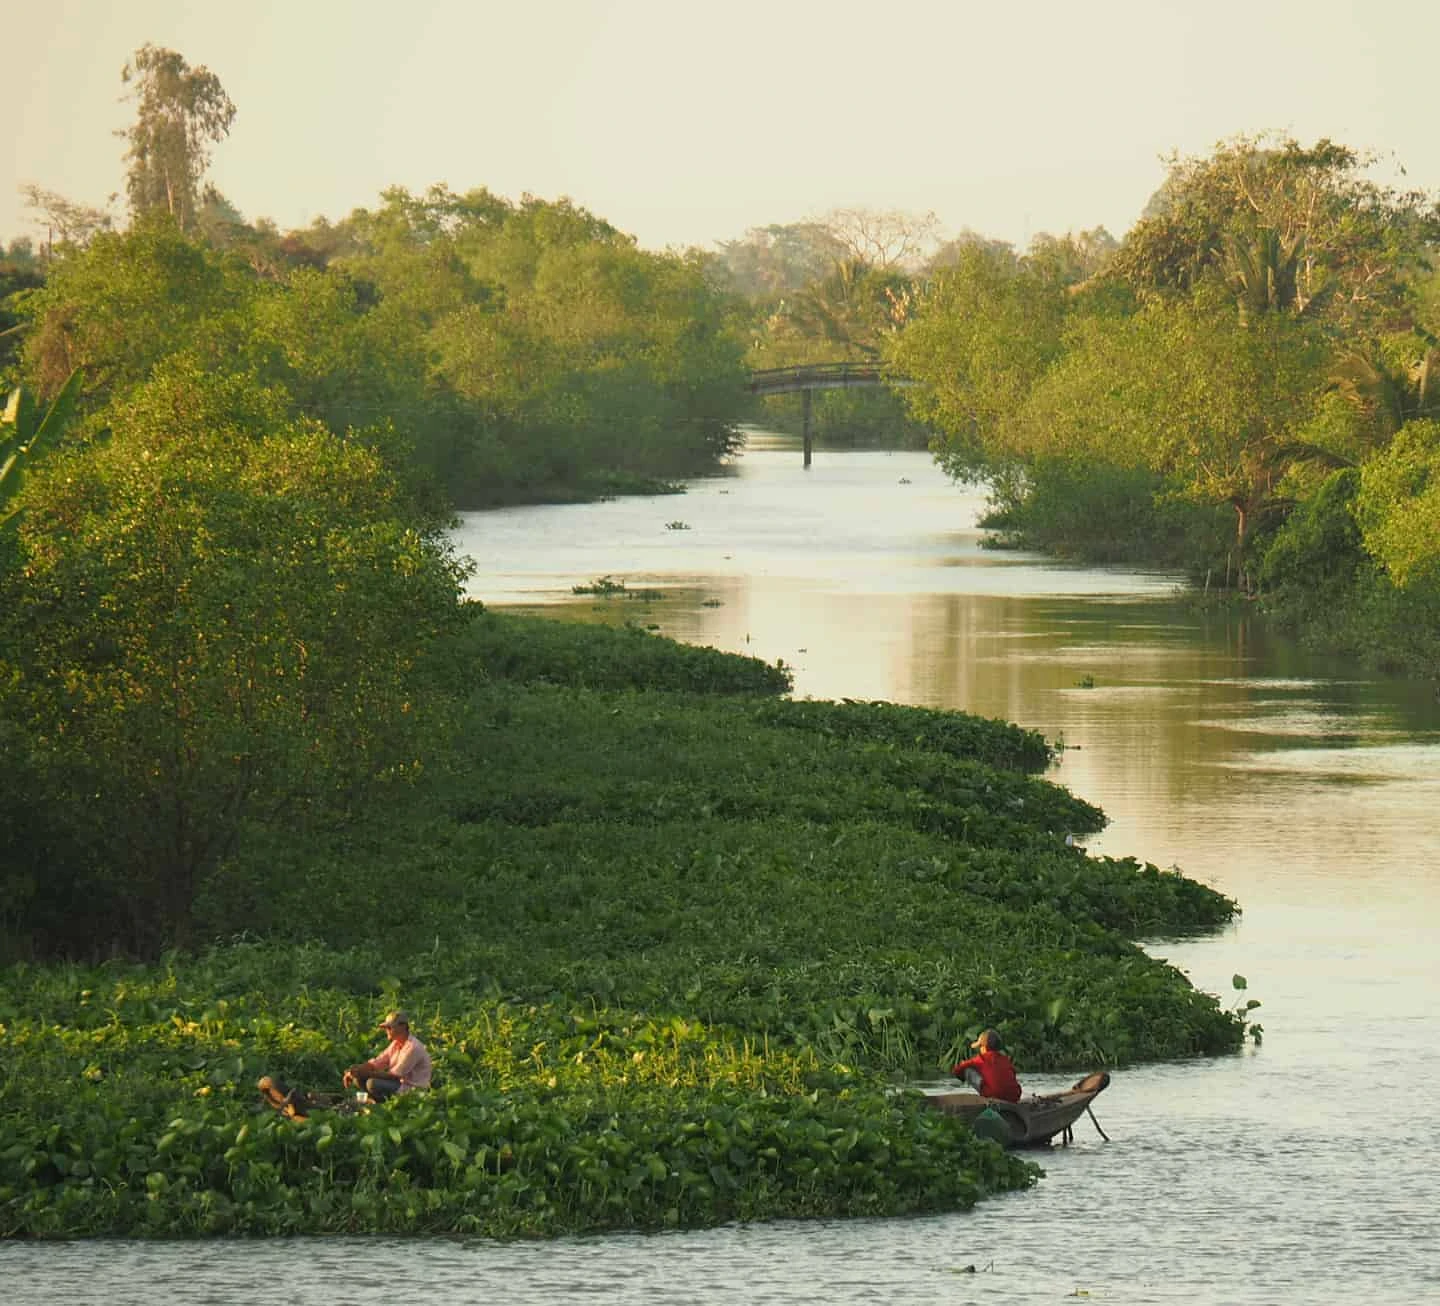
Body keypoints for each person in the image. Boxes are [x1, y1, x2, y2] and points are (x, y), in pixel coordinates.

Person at [343, 1009, 432, 1101]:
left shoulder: (413, 1047)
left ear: (403, 1026)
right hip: (398, 1084)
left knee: (372, 1083)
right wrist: (355, 1071)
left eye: (389, 1028)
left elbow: (394, 1075)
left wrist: (365, 1073)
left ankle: (384, 1103)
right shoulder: (396, 1043)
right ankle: (376, 1102)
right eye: (386, 1028)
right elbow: (376, 1063)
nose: (387, 1031)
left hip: (412, 1089)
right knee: (358, 1078)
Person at [951, 1028, 1022, 1102]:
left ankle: (985, 1099)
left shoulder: (981, 1059)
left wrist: (961, 1075)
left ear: (984, 1047)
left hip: (993, 1095)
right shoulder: (1005, 1059)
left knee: (968, 1071)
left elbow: (956, 1070)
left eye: (980, 1047)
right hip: (1014, 1096)